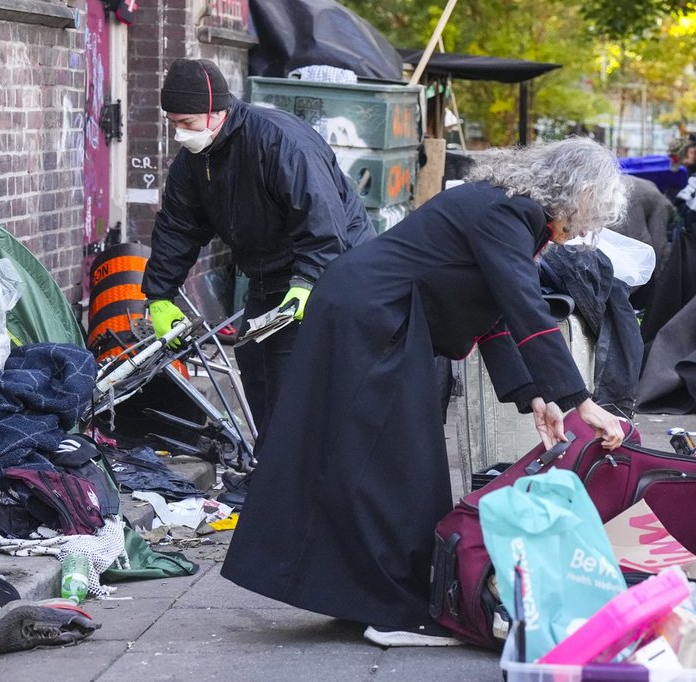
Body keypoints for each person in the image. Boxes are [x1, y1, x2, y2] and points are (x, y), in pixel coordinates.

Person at [221, 137, 629, 647]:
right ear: (577, 193)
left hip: (369, 314)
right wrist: (580, 402)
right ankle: (399, 612)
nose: (584, 231)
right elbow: (526, 305)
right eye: (589, 217)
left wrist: (533, 396)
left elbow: (496, 311)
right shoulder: (509, 215)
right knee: (402, 467)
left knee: (358, 460)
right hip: (374, 321)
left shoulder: (500, 205)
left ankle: (355, 597)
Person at [140, 57, 376, 448]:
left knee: (290, 379)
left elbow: (322, 219)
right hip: (268, 273)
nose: (180, 134)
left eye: (187, 123)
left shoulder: (281, 143)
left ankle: (289, 479)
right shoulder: (196, 160)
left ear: (218, 112)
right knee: (254, 363)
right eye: (173, 124)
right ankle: (272, 473)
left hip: (331, 265)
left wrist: (307, 283)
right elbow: (178, 226)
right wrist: (160, 296)